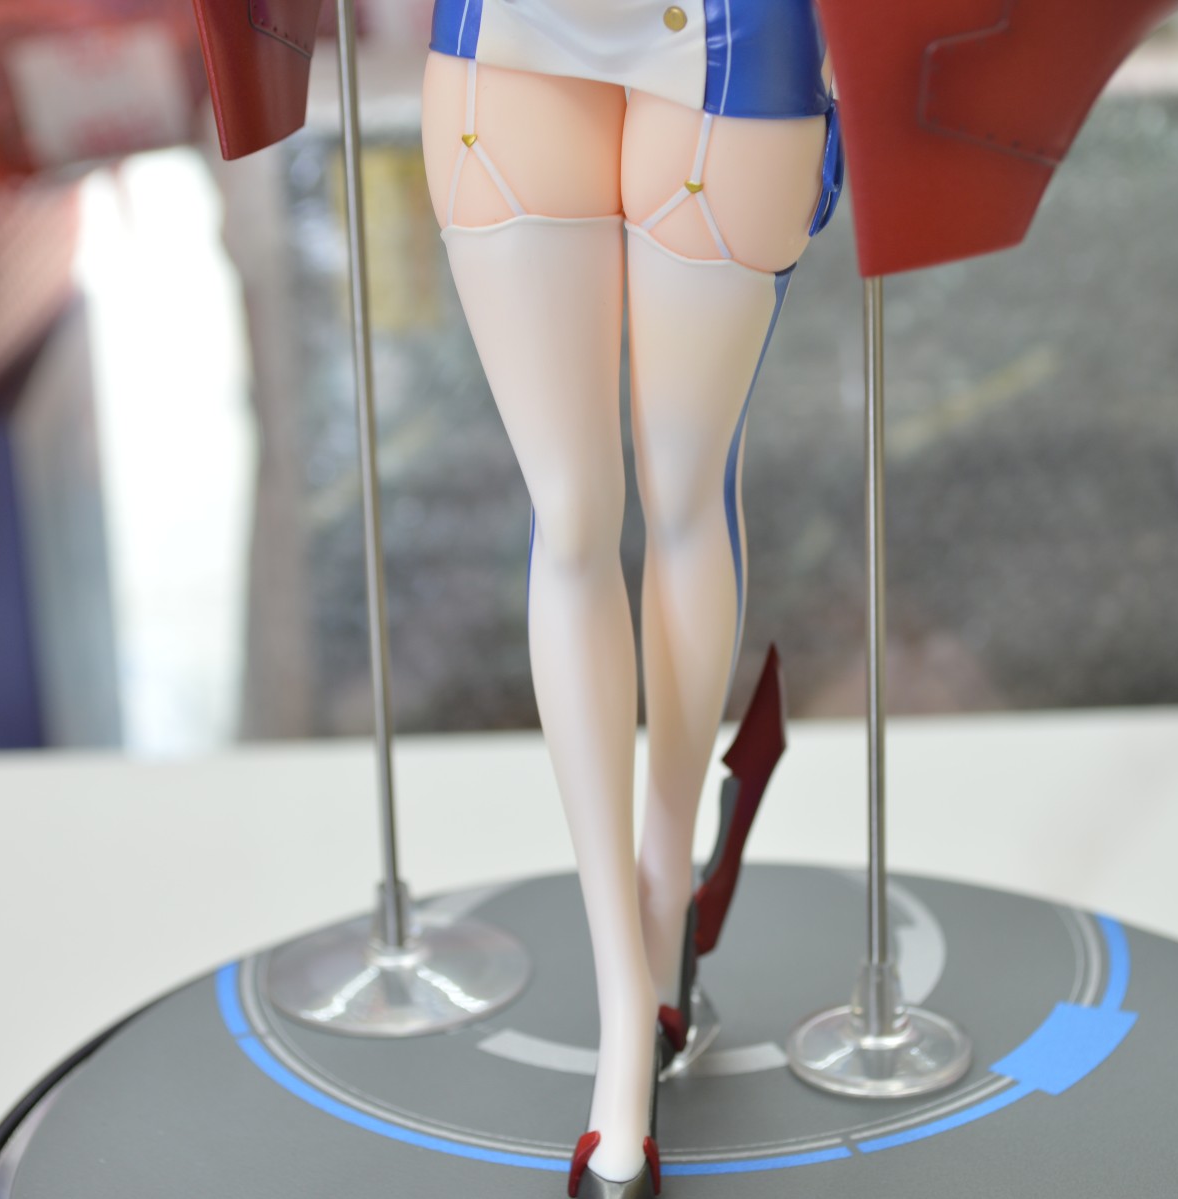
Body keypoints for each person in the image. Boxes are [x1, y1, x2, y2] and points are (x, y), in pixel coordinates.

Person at [420, 1, 838, 1194]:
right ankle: (624, 1001)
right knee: (571, 515)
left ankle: (666, 887)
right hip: (507, 37)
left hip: (727, 34)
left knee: (684, 492)